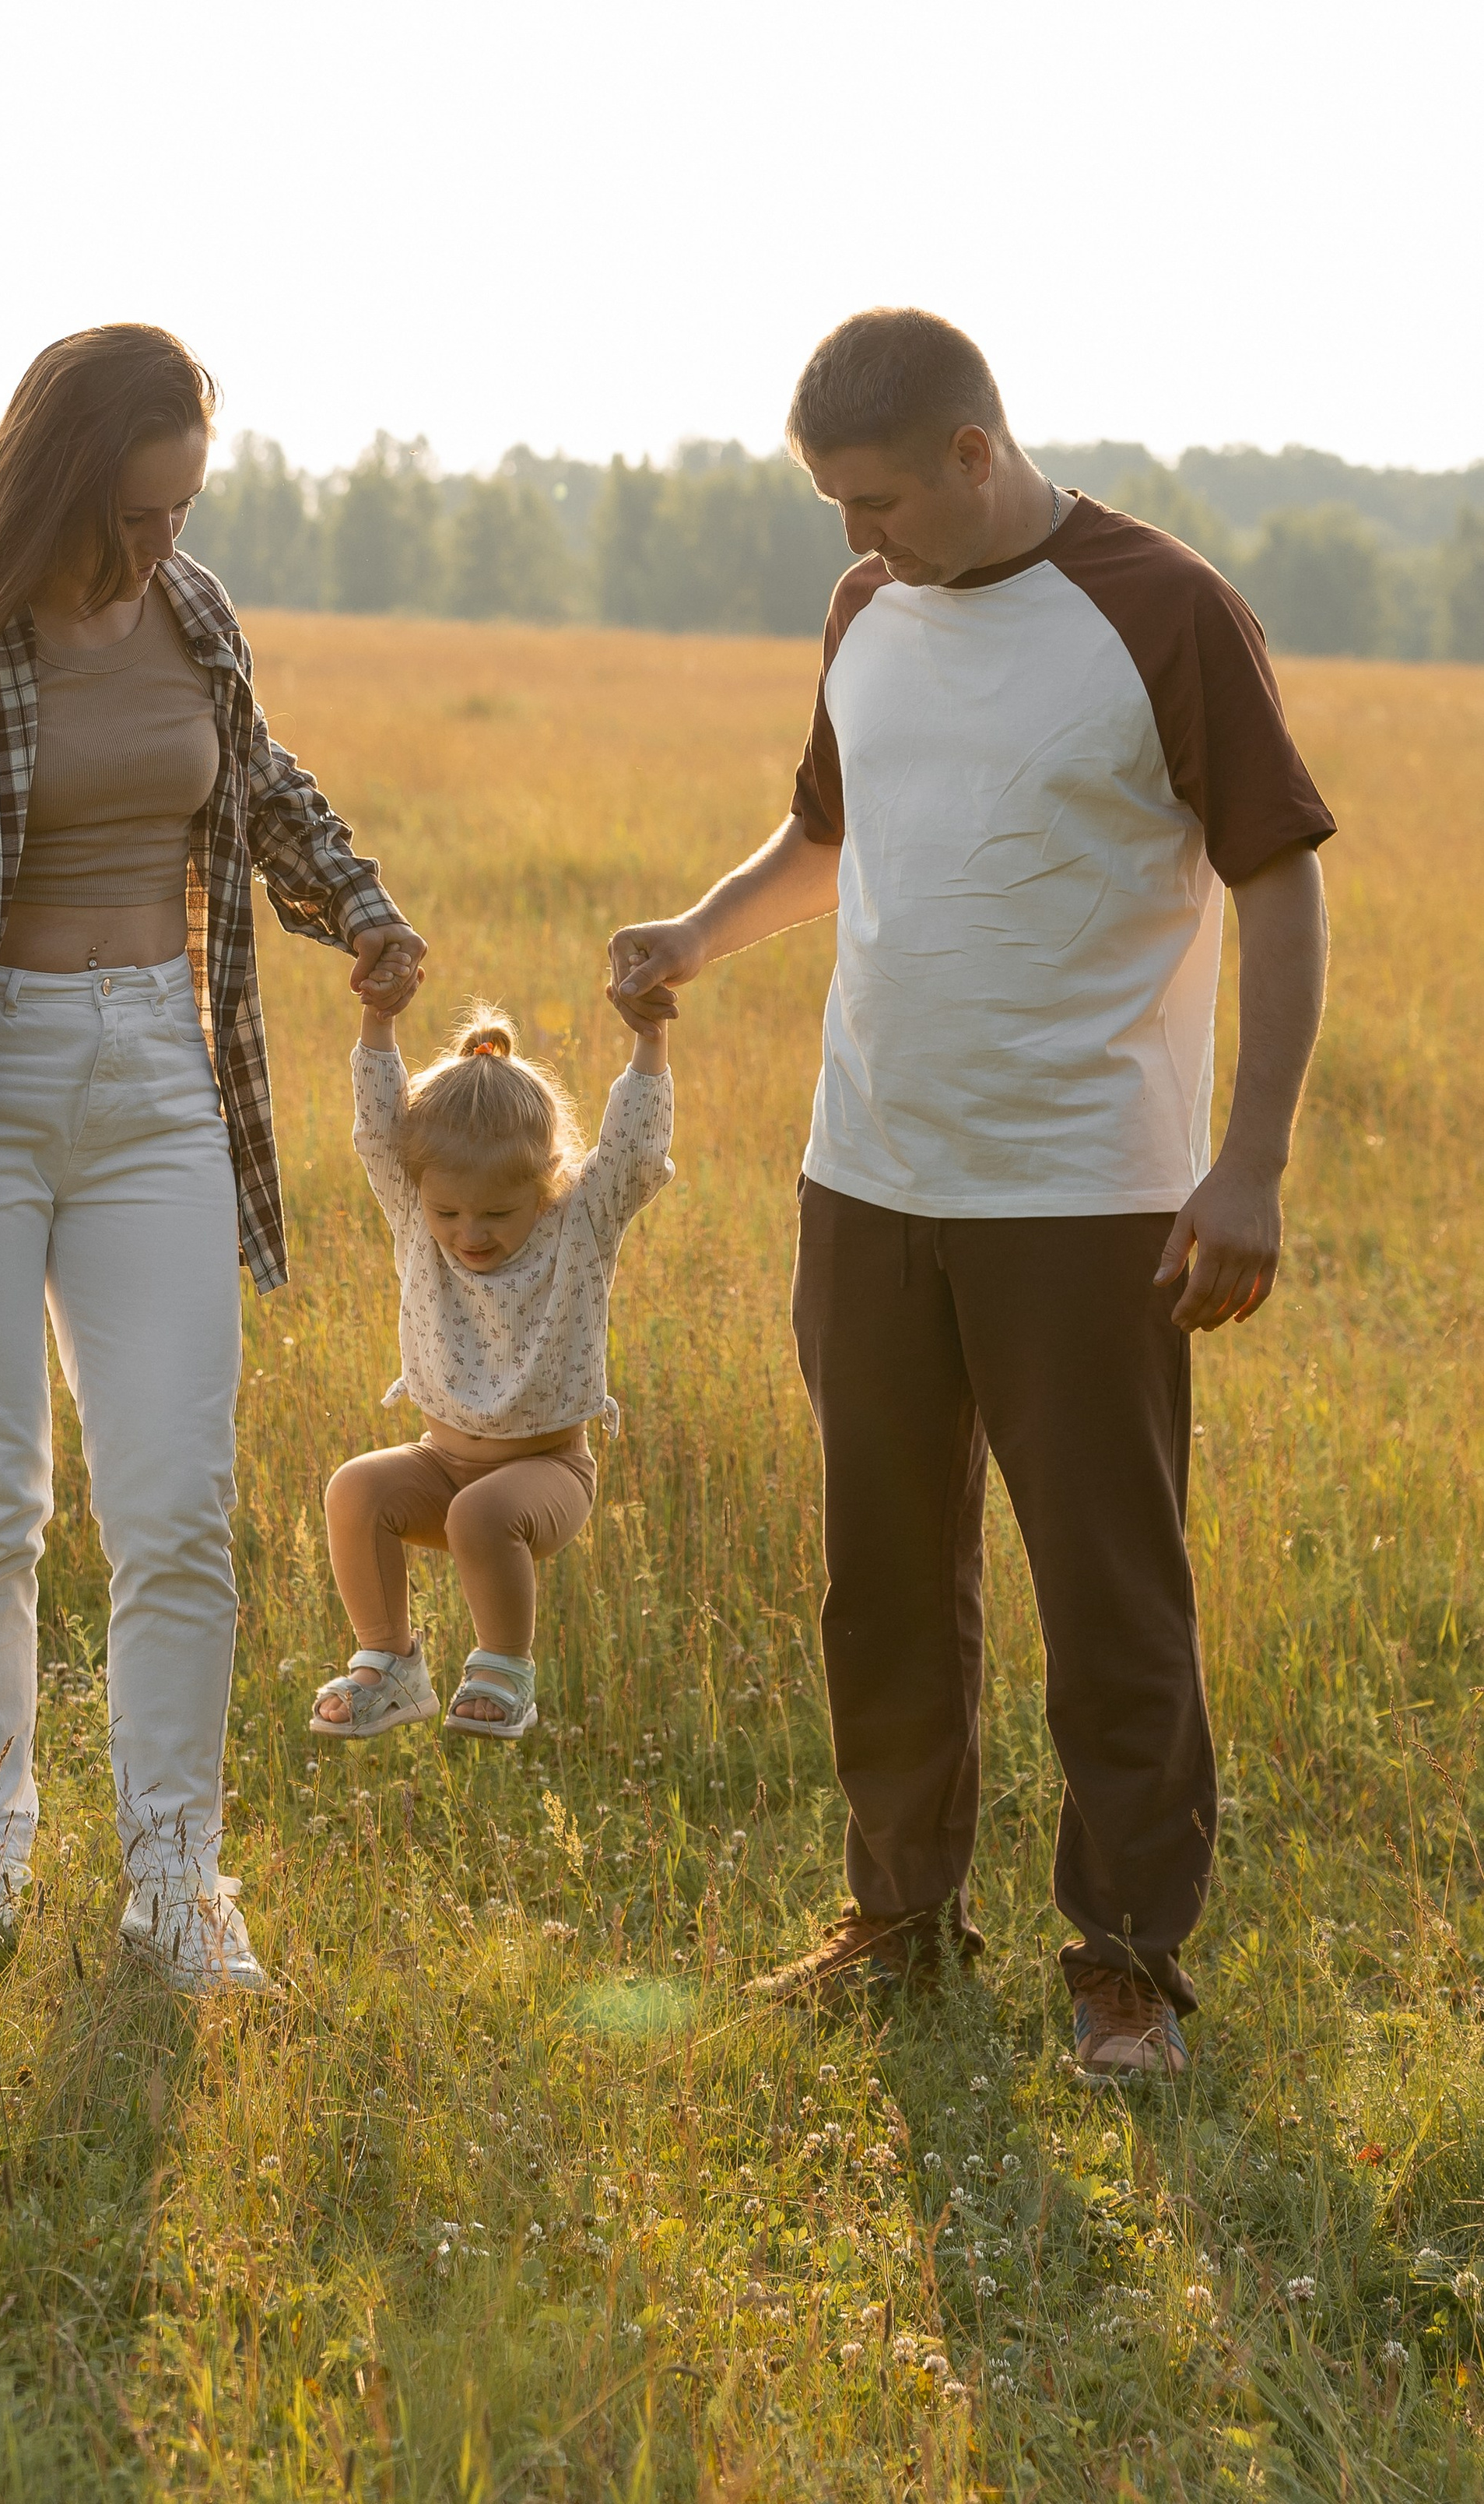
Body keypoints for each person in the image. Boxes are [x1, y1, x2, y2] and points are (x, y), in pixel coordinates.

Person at [609, 307, 1334, 2077]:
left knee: (1104, 1581)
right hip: (862, 1176)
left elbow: (1277, 883)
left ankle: (1124, 1960)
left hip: (1082, 1191)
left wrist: (1243, 1159)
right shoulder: (866, 610)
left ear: (969, 449)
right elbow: (830, 832)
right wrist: (696, 933)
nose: (855, 540)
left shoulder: (1160, 607)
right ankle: (901, 1910)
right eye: (828, 510)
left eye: (874, 500)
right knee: (879, 1571)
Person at [0, 323, 425, 1990]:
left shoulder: (190, 612)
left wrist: (353, 900)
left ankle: (175, 1886)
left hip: (156, 1085)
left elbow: (255, 783)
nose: (159, 544)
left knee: (177, 1506)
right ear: (55, 477)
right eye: (133, 512)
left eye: (182, 508)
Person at [310, 985, 673, 1743]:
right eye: (448, 1212)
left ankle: (504, 1673)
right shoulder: (416, 1215)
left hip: (545, 1471)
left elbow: (635, 1154)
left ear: (545, 1187)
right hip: (438, 1460)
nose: (468, 1233)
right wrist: (378, 1021)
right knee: (355, 1490)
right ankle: (390, 1667)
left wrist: (648, 1043)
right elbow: (380, 1133)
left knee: (481, 1514)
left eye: (496, 1215)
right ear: (423, 1196)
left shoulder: (580, 1223)